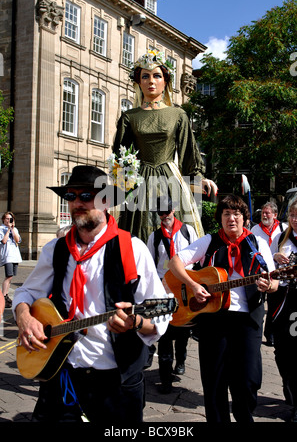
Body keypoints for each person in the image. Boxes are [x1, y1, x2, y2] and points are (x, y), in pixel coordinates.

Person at [12, 165, 169, 423]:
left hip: (116, 382)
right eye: (71, 196)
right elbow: (27, 292)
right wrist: (24, 317)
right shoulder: (56, 249)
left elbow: (161, 313)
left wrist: (136, 322)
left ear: (106, 201)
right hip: (62, 372)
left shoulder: (133, 248)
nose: (77, 203)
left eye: (86, 196)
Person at [168, 194, 278, 423]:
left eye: (237, 214)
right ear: (220, 218)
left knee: (248, 379)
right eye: (227, 214)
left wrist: (269, 285)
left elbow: (275, 281)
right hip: (214, 318)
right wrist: (193, 284)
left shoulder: (257, 243)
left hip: (248, 319)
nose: (232, 219)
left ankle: (244, 416)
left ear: (244, 219)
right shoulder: (209, 241)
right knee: (214, 379)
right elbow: (174, 263)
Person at [112, 49, 217, 244]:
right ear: (138, 82)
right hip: (139, 182)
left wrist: (198, 178)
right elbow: (120, 155)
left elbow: (188, 153)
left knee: (174, 233)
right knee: (137, 232)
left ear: (165, 81)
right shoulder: (129, 117)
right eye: (145, 76)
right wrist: (121, 184)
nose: (151, 81)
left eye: (156, 76)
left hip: (169, 178)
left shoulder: (178, 115)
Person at [147, 196, 197, 393]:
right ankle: (165, 378)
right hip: (164, 287)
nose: (163, 216)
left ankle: (182, 359)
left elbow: (197, 258)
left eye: (166, 212)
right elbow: (150, 264)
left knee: (183, 329)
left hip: (184, 285)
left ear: (174, 210)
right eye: (160, 213)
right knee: (165, 332)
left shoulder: (187, 231)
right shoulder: (155, 236)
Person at [270, 197, 297, 422]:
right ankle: (287, 383)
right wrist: (275, 256)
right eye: (292, 216)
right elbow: (268, 267)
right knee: (281, 350)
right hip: (282, 299)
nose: (295, 220)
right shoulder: (280, 237)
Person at [251, 201, 288, 346]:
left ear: (275, 214)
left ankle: (270, 334)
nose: (264, 215)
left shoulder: (283, 229)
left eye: (267, 213)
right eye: (263, 213)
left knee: (273, 306)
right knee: (257, 303)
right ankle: (256, 331)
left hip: (276, 273)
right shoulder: (255, 229)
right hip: (258, 273)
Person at [0, 212, 22, 308]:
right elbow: (4, 241)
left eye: (11, 219)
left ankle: (6, 295)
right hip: (7, 255)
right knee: (8, 276)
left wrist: (12, 230)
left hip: (15, 255)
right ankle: (3, 296)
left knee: (11, 277)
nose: (9, 221)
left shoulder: (15, 229)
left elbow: (17, 240)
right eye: (7, 219)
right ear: (3, 219)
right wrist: (8, 230)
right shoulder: (1, 229)